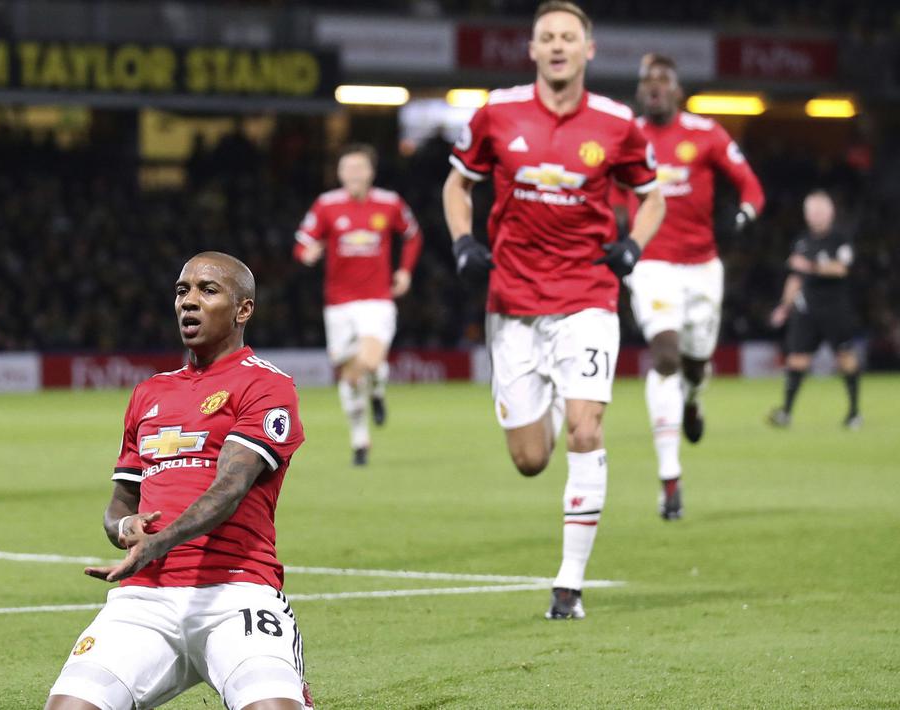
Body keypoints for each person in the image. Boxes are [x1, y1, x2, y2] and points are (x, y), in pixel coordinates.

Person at [441, 0, 665, 620]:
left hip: (587, 296)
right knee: (530, 460)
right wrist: (463, 241)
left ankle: (569, 584)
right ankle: (563, 399)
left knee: (586, 430)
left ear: (588, 50)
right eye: (548, 37)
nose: (559, 45)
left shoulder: (618, 124)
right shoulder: (496, 111)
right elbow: (458, 184)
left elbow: (653, 198)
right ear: (533, 49)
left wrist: (633, 246)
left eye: (570, 36)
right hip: (512, 302)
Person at [45, 252, 312, 710]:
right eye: (181, 290)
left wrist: (159, 540)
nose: (189, 301)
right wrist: (125, 530)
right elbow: (120, 504)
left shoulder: (266, 386)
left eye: (207, 291)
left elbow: (229, 489)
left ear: (243, 310)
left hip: (236, 592)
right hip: (145, 600)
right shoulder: (149, 393)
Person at [614, 54, 765, 520]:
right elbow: (605, 190)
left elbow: (750, 186)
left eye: (663, 80)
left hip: (702, 268)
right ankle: (670, 479)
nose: (654, 87)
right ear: (640, 91)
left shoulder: (706, 133)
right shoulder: (627, 137)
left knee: (696, 367)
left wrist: (744, 215)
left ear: (678, 91)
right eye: (647, 81)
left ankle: (694, 400)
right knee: (664, 355)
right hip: (652, 262)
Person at [294, 143, 423, 466]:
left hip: (377, 301)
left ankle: (377, 388)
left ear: (371, 172)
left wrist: (405, 271)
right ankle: (360, 440)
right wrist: (306, 254)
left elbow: (413, 234)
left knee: (367, 360)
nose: (353, 173)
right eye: (347, 168)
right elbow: (302, 241)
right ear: (339, 173)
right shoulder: (326, 205)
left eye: (359, 168)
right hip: (338, 305)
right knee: (350, 377)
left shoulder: (389, 203)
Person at [768, 191, 861, 429]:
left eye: (820, 211)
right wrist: (784, 307)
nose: (816, 216)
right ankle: (786, 413)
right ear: (806, 215)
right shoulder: (802, 241)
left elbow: (841, 268)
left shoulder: (841, 239)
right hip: (806, 309)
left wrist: (810, 265)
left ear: (830, 213)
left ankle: (854, 413)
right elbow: (795, 277)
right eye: (812, 212)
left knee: (845, 358)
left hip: (835, 309)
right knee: (797, 359)